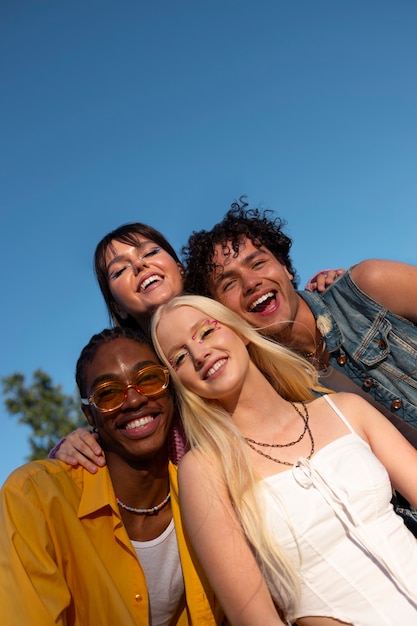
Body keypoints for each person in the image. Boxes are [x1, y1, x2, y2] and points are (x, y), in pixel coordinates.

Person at [151, 294, 417, 626]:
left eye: (206, 332)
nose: (199, 353)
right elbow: (255, 618)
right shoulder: (204, 469)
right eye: (179, 357)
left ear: (241, 332)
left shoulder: (346, 409)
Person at [53, 220, 337, 471]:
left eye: (150, 252)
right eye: (119, 271)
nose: (139, 265)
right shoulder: (144, 381)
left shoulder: (233, 312)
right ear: (118, 306)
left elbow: (286, 309)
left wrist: (327, 286)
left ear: (180, 268)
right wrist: (73, 446)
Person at [0, 326, 223, 626]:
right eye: (108, 393)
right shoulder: (34, 498)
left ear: (170, 388)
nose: (133, 400)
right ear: (89, 415)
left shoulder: (205, 495)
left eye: (148, 379)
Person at [182, 199, 417, 445]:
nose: (251, 283)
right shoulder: (271, 390)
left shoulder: (366, 287)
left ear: (284, 267)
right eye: (229, 283)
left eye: (258, 263)